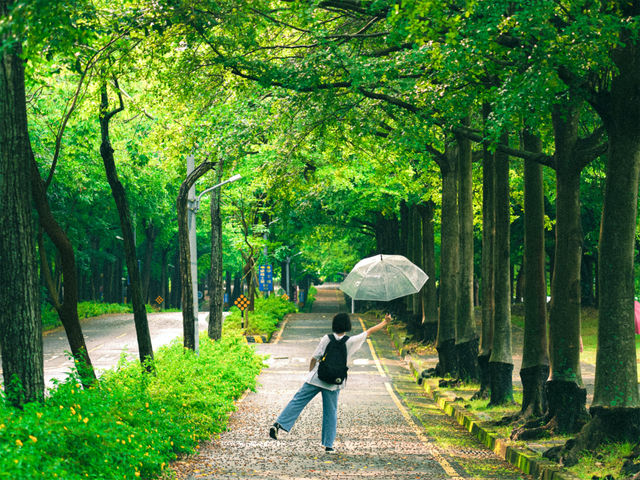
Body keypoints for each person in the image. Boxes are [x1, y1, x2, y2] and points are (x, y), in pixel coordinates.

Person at [268, 312, 390, 453]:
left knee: (297, 401)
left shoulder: (327, 338)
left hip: (317, 378)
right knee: (330, 412)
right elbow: (368, 332)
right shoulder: (350, 342)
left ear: (334, 325)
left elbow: (314, 357)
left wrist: (310, 373)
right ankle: (328, 445)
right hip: (334, 382)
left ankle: (279, 424)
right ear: (347, 326)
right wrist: (385, 322)